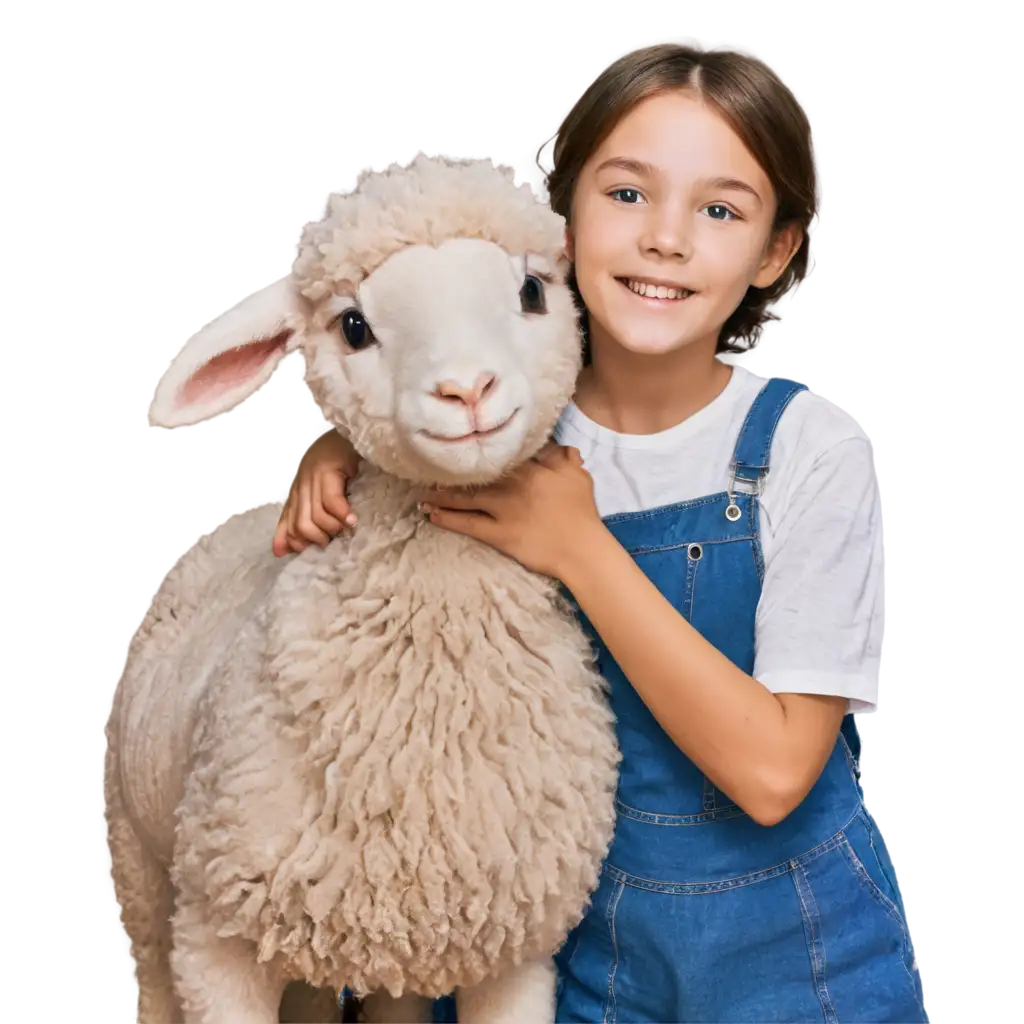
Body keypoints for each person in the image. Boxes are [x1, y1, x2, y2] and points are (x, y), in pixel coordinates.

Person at [275, 35, 926, 1024]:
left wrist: (579, 545)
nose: (665, 238)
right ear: (559, 219)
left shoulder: (807, 450)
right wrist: (344, 447)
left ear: (774, 250)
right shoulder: (487, 432)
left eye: (719, 209)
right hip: (566, 967)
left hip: (792, 966)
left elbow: (772, 772)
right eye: (626, 193)